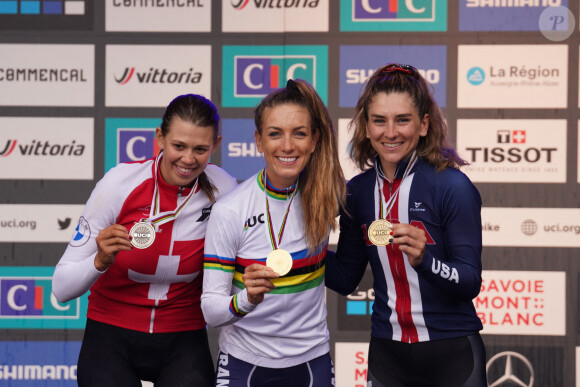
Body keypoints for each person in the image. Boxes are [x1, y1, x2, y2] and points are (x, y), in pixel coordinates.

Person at [52, 94, 238, 387]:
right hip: (110, 335)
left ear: (215, 145)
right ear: (160, 138)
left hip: (183, 339)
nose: (188, 159)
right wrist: (99, 260)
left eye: (200, 149)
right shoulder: (118, 184)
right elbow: (61, 288)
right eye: (179, 146)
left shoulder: (224, 188)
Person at [325, 63, 487, 387]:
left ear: (424, 124)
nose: (391, 132)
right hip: (388, 356)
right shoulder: (357, 191)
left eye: (403, 120)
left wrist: (425, 261)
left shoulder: (451, 186)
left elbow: (470, 281)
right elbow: (345, 278)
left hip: (452, 353)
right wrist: (302, 251)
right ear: (366, 127)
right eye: (379, 121)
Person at [201, 79, 345, 387]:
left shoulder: (325, 197)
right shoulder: (230, 211)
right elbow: (211, 311)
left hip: (311, 361)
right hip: (244, 362)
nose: (288, 146)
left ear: (315, 140)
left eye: (299, 133)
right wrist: (247, 298)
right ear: (258, 140)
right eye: (275, 134)